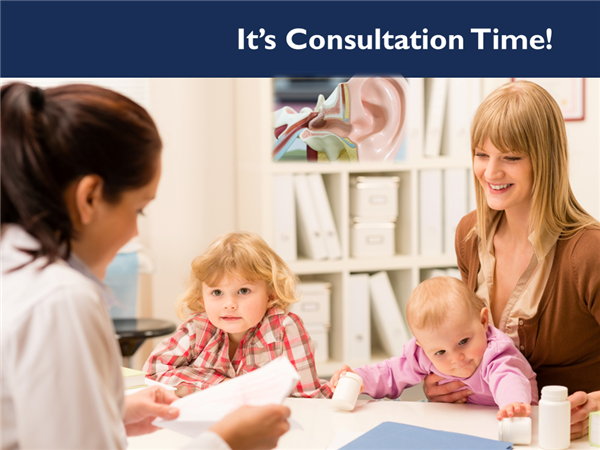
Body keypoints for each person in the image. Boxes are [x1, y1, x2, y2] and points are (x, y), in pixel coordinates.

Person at [0, 82, 290, 450]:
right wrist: (226, 442)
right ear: (89, 197)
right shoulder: (60, 298)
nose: (136, 229)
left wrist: (111, 414)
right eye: (139, 208)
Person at [423, 80, 600, 440]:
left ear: (546, 160)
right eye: (482, 154)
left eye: (511, 157)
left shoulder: (588, 251)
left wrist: (598, 407)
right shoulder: (469, 235)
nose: (491, 173)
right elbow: (472, 346)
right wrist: (445, 381)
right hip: (487, 431)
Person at [144, 231, 333, 399]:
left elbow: (308, 397)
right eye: (217, 293)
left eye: (243, 291)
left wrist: (338, 388)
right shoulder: (197, 328)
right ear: (202, 299)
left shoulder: (284, 329)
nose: (230, 305)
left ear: (270, 296)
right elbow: (153, 373)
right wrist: (223, 385)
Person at [330, 276, 538, 419]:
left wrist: (513, 404)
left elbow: (508, 377)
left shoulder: (495, 352)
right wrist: (359, 379)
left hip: (510, 415)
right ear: (422, 347)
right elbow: (391, 372)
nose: (456, 358)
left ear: (483, 321)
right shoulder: (422, 354)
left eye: (463, 342)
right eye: (440, 352)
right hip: (463, 418)